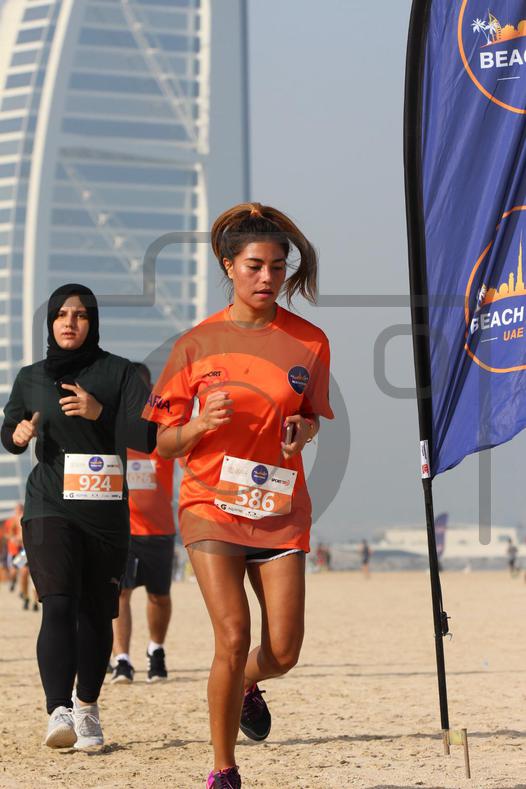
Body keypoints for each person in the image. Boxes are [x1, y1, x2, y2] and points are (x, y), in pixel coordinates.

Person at [142, 203, 334, 789]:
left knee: (284, 651)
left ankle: (248, 681)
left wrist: (304, 430)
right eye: (254, 266)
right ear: (230, 266)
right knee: (232, 634)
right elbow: (162, 442)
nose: (267, 277)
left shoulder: (310, 341)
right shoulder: (196, 344)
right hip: (210, 504)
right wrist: (199, 425)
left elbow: (311, 416)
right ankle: (223, 769)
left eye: (277, 266)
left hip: (278, 508)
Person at [1, 284, 155, 750]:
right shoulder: (31, 377)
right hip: (49, 506)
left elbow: (148, 436)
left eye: (81, 315)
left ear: (93, 322)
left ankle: (87, 706)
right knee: (58, 603)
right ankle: (58, 710)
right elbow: (8, 431)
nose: (70, 322)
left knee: (96, 613)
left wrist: (100, 412)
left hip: (105, 511)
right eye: (61, 315)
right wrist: (18, 435)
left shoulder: (120, 372)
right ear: (50, 322)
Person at [111, 362, 176, 684]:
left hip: (160, 529)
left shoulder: (163, 428)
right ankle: (121, 659)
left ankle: (156, 650)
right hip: (122, 528)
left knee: (158, 596)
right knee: (120, 594)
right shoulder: (112, 427)